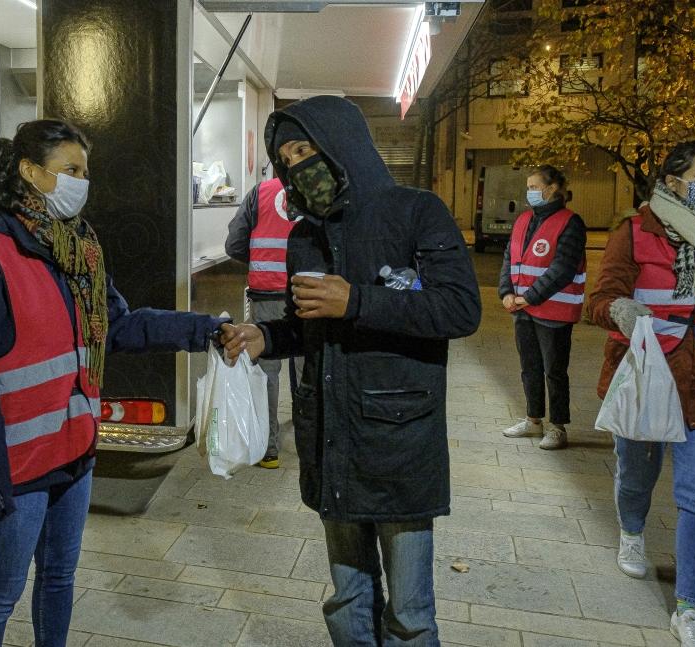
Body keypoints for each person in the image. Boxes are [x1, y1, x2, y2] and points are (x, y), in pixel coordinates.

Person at [0, 119, 225, 647]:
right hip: (17, 465)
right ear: (30, 173)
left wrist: (205, 329)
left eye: (85, 171)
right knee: (0, 594)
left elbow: (119, 325)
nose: (82, 181)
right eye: (70, 170)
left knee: (58, 578)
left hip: (74, 452)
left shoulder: (80, 251)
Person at [220, 96, 481, 647]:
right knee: (346, 600)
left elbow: (460, 309)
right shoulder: (304, 236)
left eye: (303, 148)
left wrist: (358, 301)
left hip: (399, 439)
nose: (295, 165)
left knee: (409, 615)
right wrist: (265, 336)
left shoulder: (417, 212)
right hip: (331, 435)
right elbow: (302, 324)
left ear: (340, 144)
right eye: (284, 157)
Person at [588, 140, 695, 647]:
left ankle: (690, 608)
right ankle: (632, 531)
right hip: (648, 376)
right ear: (675, 180)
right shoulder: (635, 233)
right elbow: (602, 296)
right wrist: (619, 311)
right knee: (638, 474)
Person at [499, 165, 587, 449]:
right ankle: (533, 420)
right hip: (523, 309)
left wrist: (531, 296)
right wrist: (506, 292)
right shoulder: (524, 220)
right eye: (529, 187)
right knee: (530, 367)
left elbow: (563, 267)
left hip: (553, 312)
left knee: (554, 370)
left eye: (534, 187)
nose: (530, 192)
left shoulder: (570, 222)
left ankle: (558, 426)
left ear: (551, 190)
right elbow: (509, 259)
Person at [225, 176, 303, 468]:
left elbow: (233, 243)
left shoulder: (260, 191)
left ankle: (268, 451)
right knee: (307, 369)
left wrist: (259, 257)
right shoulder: (317, 188)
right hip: (307, 292)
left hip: (267, 292)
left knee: (266, 373)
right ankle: (309, 445)